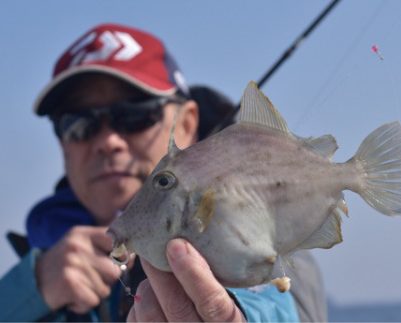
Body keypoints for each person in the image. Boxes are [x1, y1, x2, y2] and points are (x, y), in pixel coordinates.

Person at [0, 23, 327, 322]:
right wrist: (28, 291)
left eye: (134, 115)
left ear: (187, 125)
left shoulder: (265, 216)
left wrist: (236, 314)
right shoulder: (40, 254)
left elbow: (281, 296)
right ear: (63, 145)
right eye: (78, 124)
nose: (107, 141)